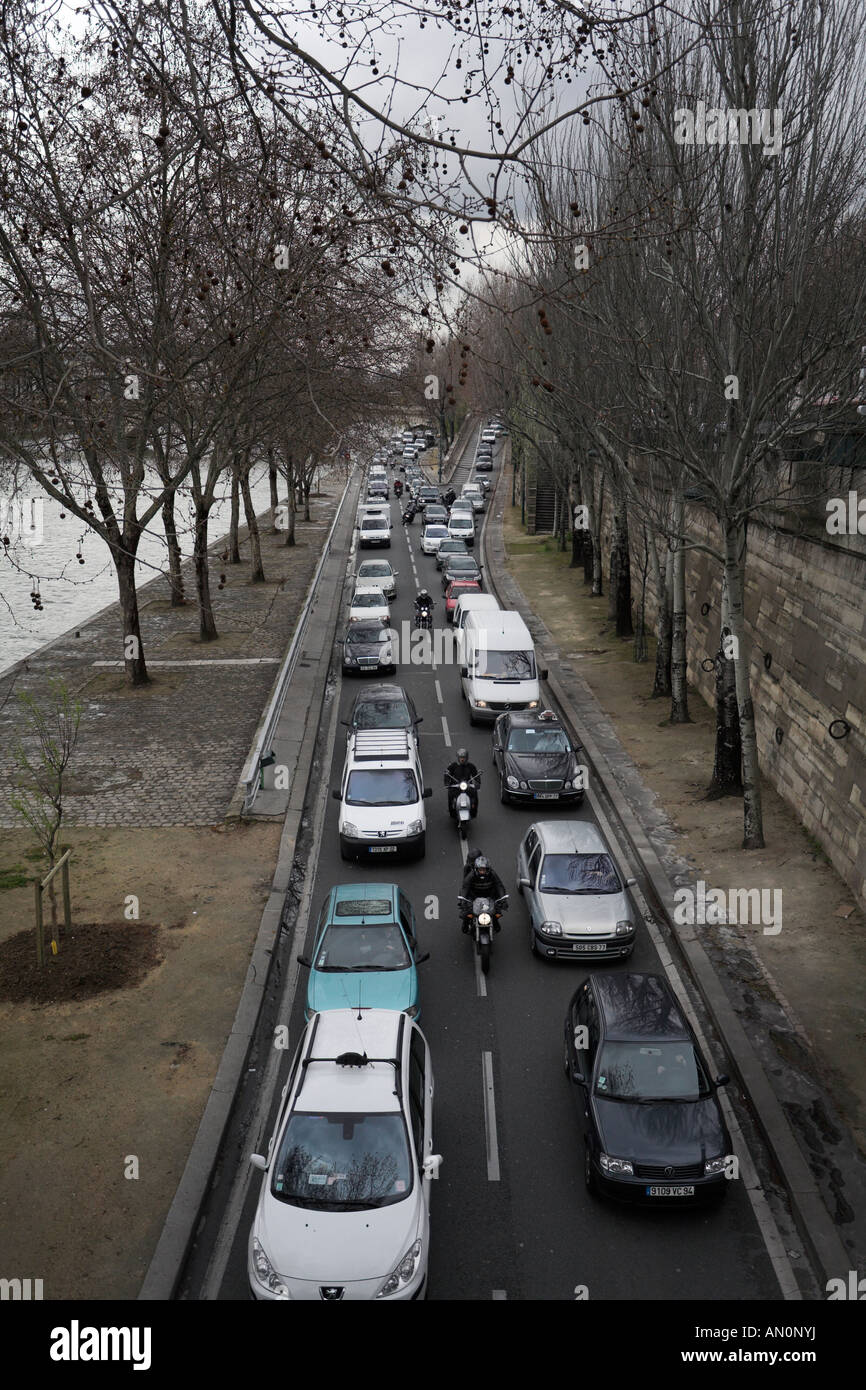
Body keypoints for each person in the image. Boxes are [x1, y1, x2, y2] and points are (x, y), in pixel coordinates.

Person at [460, 853, 506, 932]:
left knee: (497, 912)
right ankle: (465, 923)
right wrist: (463, 900)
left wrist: (503, 899)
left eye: (484, 869)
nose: (482, 871)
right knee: (466, 913)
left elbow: (499, 886)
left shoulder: (492, 874)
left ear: (488, 869)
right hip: (474, 896)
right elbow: (465, 888)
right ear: (476, 869)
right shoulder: (471, 875)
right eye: (480, 869)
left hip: (489, 896)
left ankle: (495, 922)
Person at [445, 748, 480, 817]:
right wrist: (447, 783)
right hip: (455, 786)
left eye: (464, 757)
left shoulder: (471, 766)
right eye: (461, 757)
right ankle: (452, 812)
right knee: (451, 796)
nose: (462, 759)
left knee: (475, 796)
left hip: (468, 785)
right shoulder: (453, 766)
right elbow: (447, 774)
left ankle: (473, 812)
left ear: (467, 758)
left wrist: (477, 783)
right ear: (458, 758)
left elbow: (476, 775)